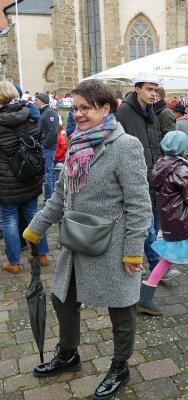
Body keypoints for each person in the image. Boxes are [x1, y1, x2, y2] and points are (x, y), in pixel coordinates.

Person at [22, 80, 152, 400]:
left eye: (85, 108)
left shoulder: (126, 146)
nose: (77, 114)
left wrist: (133, 251)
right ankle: (69, 353)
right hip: (76, 240)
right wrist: (35, 228)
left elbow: (139, 205)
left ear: (105, 109)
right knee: (62, 298)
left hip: (113, 244)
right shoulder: (78, 143)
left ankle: (120, 366)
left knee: (121, 309)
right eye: (75, 107)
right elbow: (60, 197)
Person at [137, 130, 188, 315]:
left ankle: (145, 296)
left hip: (171, 222)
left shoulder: (161, 166)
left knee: (167, 259)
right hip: (187, 222)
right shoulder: (182, 169)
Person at [116, 71, 178, 281]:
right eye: (149, 89)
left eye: (155, 90)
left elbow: (155, 140)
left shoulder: (152, 111)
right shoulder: (124, 111)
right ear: (137, 89)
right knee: (146, 224)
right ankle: (156, 265)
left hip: (155, 174)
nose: (153, 94)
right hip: (136, 174)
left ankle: (153, 263)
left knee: (155, 220)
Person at [0, 81, 49, 274]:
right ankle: (42, 254)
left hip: (7, 181)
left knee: (10, 220)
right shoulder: (31, 116)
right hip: (30, 174)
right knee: (33, 215)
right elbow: (38, 140)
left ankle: (14, 262)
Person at [35, 92, 59, 202]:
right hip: (46, 147)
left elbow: (52, 131)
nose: (35, 102)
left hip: (48, 148)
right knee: (49, 174)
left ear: (42, 101)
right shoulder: (44, 112)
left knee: (48, 173)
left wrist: (43, 144)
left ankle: (49, 199)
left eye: (36, 100)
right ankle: (50, 198)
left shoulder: (50, 112)